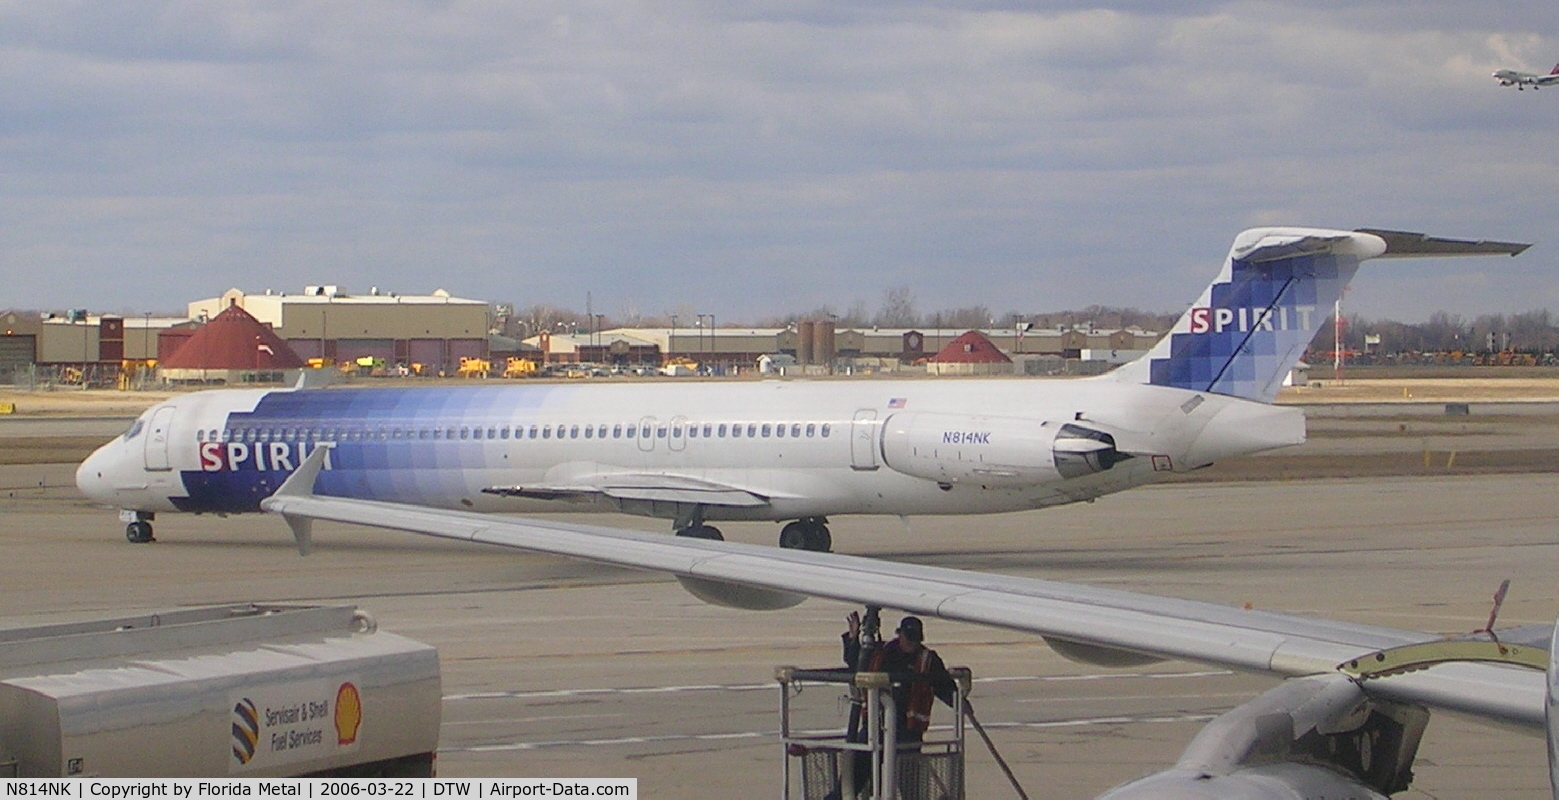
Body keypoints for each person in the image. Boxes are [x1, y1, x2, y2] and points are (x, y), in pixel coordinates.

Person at [842, 611, 958, 742]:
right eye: (909, 638)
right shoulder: (883, 652)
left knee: (905, 760)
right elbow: (855, 662)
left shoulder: (927, 659)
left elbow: (942, 684)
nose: (912, 643)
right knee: (861, 755)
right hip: (875, 725)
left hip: (908, 731)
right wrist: (852, 638)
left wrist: (958, 702)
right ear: (899, 634)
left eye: (915, 640)